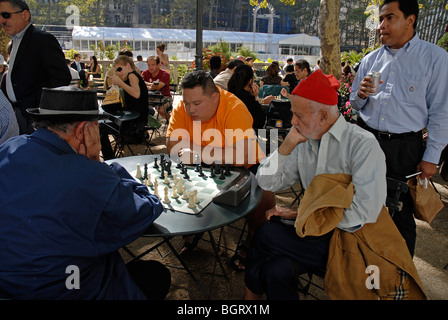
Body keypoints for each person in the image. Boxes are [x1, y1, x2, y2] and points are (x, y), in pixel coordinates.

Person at [243, 69, 426, 301]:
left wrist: (305, 215)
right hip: (315, 235)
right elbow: (266, 181)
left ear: (322, 116)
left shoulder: (361, 144)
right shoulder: (304, 139)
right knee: (275, 269)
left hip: (354, 240)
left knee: (267, 234)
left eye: (298, 115)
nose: (293, 121)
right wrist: (286, 146)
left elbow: (365, 212)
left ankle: (250, 297)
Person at [0, 86, 171, 299]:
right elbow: (148, 208)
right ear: (83, 130)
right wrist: (97, 162)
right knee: (156, 275)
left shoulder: (9, 148)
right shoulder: (89, 175)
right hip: (70, 290)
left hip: (9, 287)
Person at [350, 0, 448, 257]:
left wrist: (431, 157)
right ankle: (360, 265)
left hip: (405, 148)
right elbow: (354, 103)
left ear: (410, 20)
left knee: (400, 214)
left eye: (389, 18)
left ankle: (401, 280)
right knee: (359, 202)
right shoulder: (371, 59)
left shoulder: (435, 58)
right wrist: (359, 96)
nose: (381, 26)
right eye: (380, 19)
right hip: (367, 140)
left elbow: (441, 111)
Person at [166, 70, 276, 266]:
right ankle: (193, 230)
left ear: (214, 96)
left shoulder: (235, 107)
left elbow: (241, 156)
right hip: (202, 164)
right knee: (181, 181)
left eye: (197, 104)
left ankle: (251, 242)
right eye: (186, 103)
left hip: (245, 166)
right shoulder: (184, 106)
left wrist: (198, 151)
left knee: (265, 195)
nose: (190, 109)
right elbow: (173, 148)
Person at [0, 0, 71, 134]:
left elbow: (62, 77)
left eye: (6, 15)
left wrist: (36, 103)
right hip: (17, 114)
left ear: (25, 15)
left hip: (33, 117)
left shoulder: (42, 39)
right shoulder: (16, 40)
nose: (2, 20)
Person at [100, 55, 149, 160]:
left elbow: (136, 94)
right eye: (116, 70)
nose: (118, 72)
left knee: (102, 127)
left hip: (136, 120)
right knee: (102, 126)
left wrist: (120, 83)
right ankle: (109, 156)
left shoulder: (132, 75)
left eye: (119, 69)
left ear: (127, 65)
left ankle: (109, 158)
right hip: (132, 116)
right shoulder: (130, 76)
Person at [227, 64, 274, 130]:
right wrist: (255, 97)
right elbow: (260, 122)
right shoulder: (248, 98)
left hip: (226, 133)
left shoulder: (228, 94)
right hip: (243, 135)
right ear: (250, 81)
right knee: (273, 134)